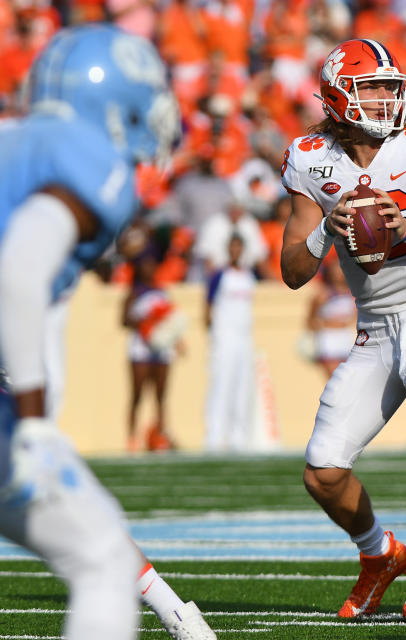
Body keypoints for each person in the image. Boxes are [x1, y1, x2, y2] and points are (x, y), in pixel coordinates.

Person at [0, 24, 216, 640]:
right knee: (95, 554)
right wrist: (36, 419)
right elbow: (18, 267)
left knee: (91, 525)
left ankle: (177, 614)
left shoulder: (15, 140)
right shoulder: (89, 159)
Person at [279, 38, 406, 622]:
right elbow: (294, 271)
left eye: (389, 86)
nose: (385, 98)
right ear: (335, 95)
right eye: (370, 86)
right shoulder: (310, 157)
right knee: (323, 474)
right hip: (375, 329)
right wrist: (325, 228)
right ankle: (380, 554)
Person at [121, 236, 184, 452]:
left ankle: (161, 435)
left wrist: (176, 341)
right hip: (140, 349)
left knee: (161, 396)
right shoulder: (134, 292)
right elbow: (124, 320)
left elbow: (171, 320)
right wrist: (146, 322)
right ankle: (132, 438)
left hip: (161, 351)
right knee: (137, 394)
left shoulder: (162, 291)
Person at [204, 234, 256, 451]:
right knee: (221, 384)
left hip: (244, 337)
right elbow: (207, 306)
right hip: (224, 336)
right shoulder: (219, 275)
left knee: (242, 386)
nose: (235, 251)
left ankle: (239, 437)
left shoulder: (249, 276)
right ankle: (214, 437)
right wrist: (213, 334)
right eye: (232, 246)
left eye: (238, 246)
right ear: (228, 249)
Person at [305, 259, 356, 379]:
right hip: (328, 340)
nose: (338, 273)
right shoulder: (322, 295)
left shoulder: (354, 294)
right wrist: (326, 326)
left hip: (346, 338)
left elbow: (356, 318)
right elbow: (311, 320)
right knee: (334, 380)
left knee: (347, 379)